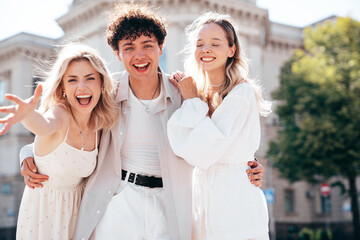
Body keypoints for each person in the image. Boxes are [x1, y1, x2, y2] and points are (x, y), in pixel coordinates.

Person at [18, 4, 265, 239]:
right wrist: (29, 152)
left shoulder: (186, 95)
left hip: (169, 207)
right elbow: (71, 128)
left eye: (147, 45)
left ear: (161, 47)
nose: (139, 55)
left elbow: (214, 140)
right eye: (128, 48)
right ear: (117, 53)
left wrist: (248, 165)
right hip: (119, 203)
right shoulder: (107, 96)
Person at [167, 12, 272, 239]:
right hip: (200, 196)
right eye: (199, 44)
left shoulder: (241, 92)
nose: (206, 49)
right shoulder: (195, 93)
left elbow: (205, 150)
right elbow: (176, 141)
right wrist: (193, 99)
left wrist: (192, 102)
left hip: (234, 197)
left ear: (231, 50)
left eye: (215, 43)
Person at [0, 44, 118, 239]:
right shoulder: (60, 113)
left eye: (90, 78)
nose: (82, 87)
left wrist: (26, 153)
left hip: (80, 214)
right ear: (62, 87)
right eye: (72, 80)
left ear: (101, 84)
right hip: (44, 216)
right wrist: (27, 116)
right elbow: (44, 125)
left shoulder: (100, 123)